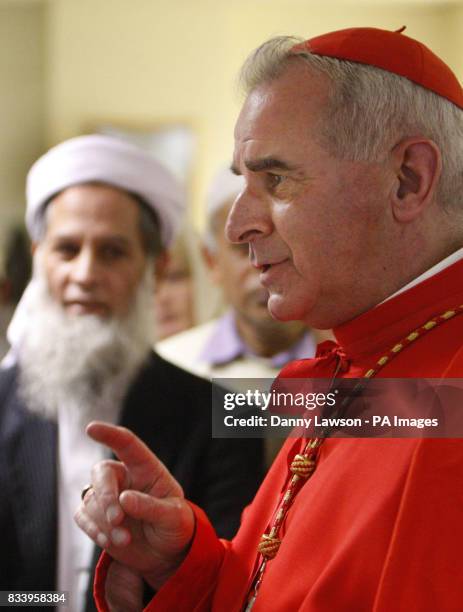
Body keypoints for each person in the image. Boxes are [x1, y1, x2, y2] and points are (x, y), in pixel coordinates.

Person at [76, 27, 463, 611]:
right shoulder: (362, 360)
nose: (237, 226)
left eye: (275, 179)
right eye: (243, 181)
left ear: (407, 178)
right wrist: (181, 562)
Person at [0, 135, 264, 611]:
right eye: (66, 249)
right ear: (39, 257)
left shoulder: (218, 418)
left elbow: (229, 589)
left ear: (156, 267)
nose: (85, 273)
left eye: (112, 252)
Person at [157, 167, 321, 380]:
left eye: (284, 248)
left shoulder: (359, 371)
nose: (266, 267)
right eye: (246, 249)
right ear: (212, 262)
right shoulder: (169, 369)